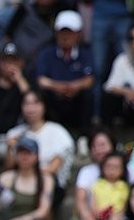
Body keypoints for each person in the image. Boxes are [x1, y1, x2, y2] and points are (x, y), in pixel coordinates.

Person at [34, 10, 95, 138]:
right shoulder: (47, 53)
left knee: (88, 95)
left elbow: (89, 79)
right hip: (55, 99)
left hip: (76, 99)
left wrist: (73, 87)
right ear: (56, 33)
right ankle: (48, 135)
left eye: (70, 32)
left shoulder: (85, 53)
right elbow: (41, 80)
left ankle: (83, 138)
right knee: (42, 94)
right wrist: (58, 87)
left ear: (78, 33)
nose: (65, 36)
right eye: (62, 32)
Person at [102, 21, 134, 127]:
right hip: (128, 106)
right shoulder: (122, 60)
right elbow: (109, 86)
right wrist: (126, 92)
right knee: (108, 98)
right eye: (132, 38)